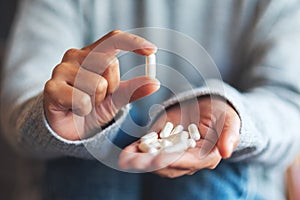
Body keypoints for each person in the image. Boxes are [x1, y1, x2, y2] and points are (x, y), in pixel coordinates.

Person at [1, 0, 300, 199]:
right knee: (91, 167)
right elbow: (17, 101)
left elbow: (289, 104)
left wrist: (233, 114)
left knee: (208, 177)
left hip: (230, 183)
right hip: (79, 178)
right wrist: (54, 118)